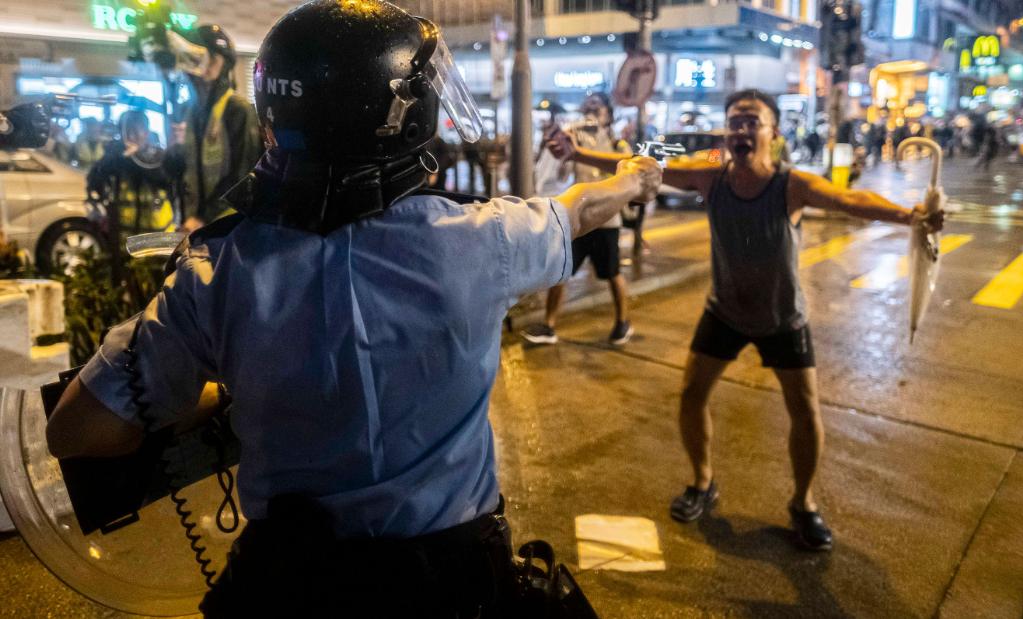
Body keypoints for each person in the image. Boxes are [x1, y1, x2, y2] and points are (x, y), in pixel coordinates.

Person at [44, 1, 662, 616]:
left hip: (288, 584)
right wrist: (635, 177)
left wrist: (227, 395)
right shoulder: (483, 240)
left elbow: (75, 429)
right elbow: (581, 210)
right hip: (452, 584)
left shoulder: (214, 272)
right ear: (403, 115)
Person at [547, 88, 943, 551]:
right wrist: (578, 153)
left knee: (805, 410)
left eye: (752, 120)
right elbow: (642, 167)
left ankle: (804, 504)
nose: (741, 129)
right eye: (734, 121)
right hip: (725, 311)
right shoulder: (710, 178)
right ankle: (702, 482)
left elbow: (849, 200)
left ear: (772, 132)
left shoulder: (791, 184)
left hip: (783, 317)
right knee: (692, 394)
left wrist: (911, 215)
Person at [521, 92, 636, 347]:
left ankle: (622, 322)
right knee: (561, 271)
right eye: (589, 106)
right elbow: (561, 174)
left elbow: (624, 171)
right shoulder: (575, 136)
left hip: (606, 220)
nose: (592, 111)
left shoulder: (617, 143)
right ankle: (549, 326)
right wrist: (563, 151)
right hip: (580, 220)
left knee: (612, 273)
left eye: (598, 107)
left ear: (608, 113)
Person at [159, 24, 263, 230]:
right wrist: (173, 154)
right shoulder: (192, 113)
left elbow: (242, 175)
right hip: (197, 226)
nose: (204, 67)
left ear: (225, 64)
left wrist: (202, 218)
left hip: (229, 226)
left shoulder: (237, 109)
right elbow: (183, 173)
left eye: (212, 59)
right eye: (198, 59)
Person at [86, 110, 179, 239]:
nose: (131, 136)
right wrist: (117, 157)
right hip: (124, 241)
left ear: (146, 132)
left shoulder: (159, 156)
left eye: (137, 130)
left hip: (157, 240)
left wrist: (138, 158)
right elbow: (94, 181)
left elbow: (165, 181)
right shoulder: (115, 158)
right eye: (127, 131)